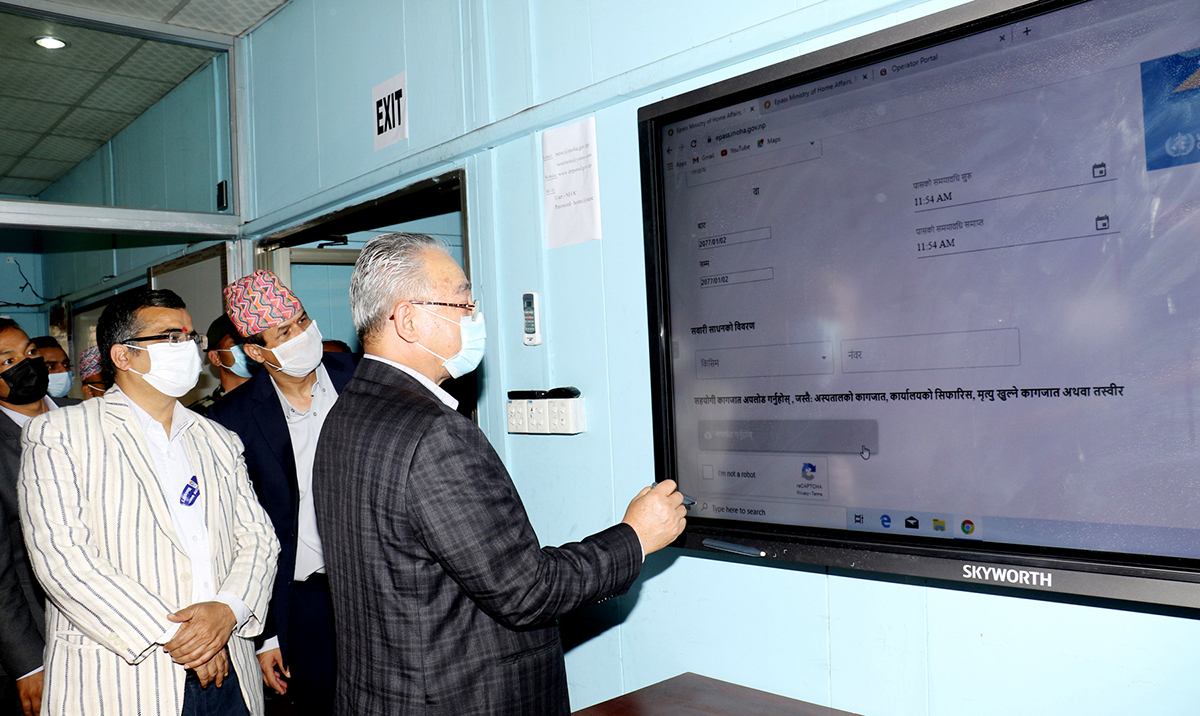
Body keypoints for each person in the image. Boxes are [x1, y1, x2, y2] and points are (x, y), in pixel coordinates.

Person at [313, 233, 687, 716]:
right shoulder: (435, 434)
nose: (474, 317)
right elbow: (527, 591)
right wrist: (635, 537)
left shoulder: (345, 415)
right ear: (408, 320)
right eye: (463, 303)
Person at [18, 288, 280, 716]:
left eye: (191, 337)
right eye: (172, 337)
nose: (188, 347)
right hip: (124, 675)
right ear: (123, 355)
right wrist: (184, 637)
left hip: (230, 669)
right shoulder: (61, 434)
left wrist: (227, 610)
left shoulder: (218, 438)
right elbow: (64, 560)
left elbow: (259, 539)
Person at [209, 270, 355, 715]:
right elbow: (239, 531)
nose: (303, 335)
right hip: (305, 602)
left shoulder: (361, 377)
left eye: (303, 320)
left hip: (381, 582)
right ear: (255, 351)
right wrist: (267, 634)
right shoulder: (232, 419)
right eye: (285, 332)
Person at [0, 320, 80, 716]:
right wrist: (29, 661)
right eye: (8, 361)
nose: (26, 364)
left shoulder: (88, 414)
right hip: (42, 631)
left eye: (30, 352)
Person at [189, 315, 253, 417]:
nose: (247, 348)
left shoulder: (275, 401)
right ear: (216, 358)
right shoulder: (201, 415)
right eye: (237, 343)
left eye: (250, 341)